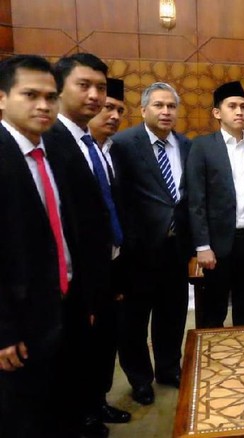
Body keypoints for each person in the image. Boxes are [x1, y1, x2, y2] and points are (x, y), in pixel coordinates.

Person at [0, 54, 76, 438]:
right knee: (21, 416)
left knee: (55, 406)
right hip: (17, 319)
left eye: (51, 96)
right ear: (2, 97)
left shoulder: (52, 154)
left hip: (58, 306)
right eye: (30, 94)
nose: (43, 105)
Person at [47, 53, 122, 437]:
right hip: (72, 280)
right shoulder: (52, 141)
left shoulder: (89, 143)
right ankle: (84, 417)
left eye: (101, 88)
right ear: (59, 88)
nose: (95, 96)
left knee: (99, 347)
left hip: (103, 269)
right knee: (75, 357)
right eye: (84, 85)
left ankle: (96, 405)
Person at [111, 82, 191, 406]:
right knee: (133, 320)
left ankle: (169, 369)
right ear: (143, 109)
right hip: (137, 251)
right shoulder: (124, 144)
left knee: (172, 315)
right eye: (158, 105)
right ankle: (140, 379)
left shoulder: (186, 145)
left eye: (171, 106)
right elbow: (117, 197)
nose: (165, 111)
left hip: (175, 247)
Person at [187, 81, 244, 328]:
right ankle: (212, 360)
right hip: (217, 245)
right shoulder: (203, 147)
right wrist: (202, 245)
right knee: (214, 307)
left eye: (243, 106)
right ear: (217, 113)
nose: (239, 111)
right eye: (232, 106)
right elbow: (196, 200)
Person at [84, 77, 132, 425]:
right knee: (85, 343)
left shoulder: (110, 152)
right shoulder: (74, 151)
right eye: (107, 108)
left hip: (113, 263)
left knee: (105, 340)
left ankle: (98, 402)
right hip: (86, 267)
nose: (113, 115)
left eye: (118, 109)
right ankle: (84, 411)